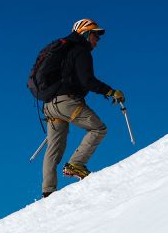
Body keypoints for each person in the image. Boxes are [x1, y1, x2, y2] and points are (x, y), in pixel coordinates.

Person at [40, 18, 124, 197]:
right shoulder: (81, 51)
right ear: (86, 34)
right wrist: (110, 92)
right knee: (98, 129)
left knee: (54, 148)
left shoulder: (64, 50)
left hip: (49, 105)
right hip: (66, 102)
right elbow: (88, 81)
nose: (97, 40)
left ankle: (48, 191)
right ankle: (76, 165)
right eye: (95, 35)